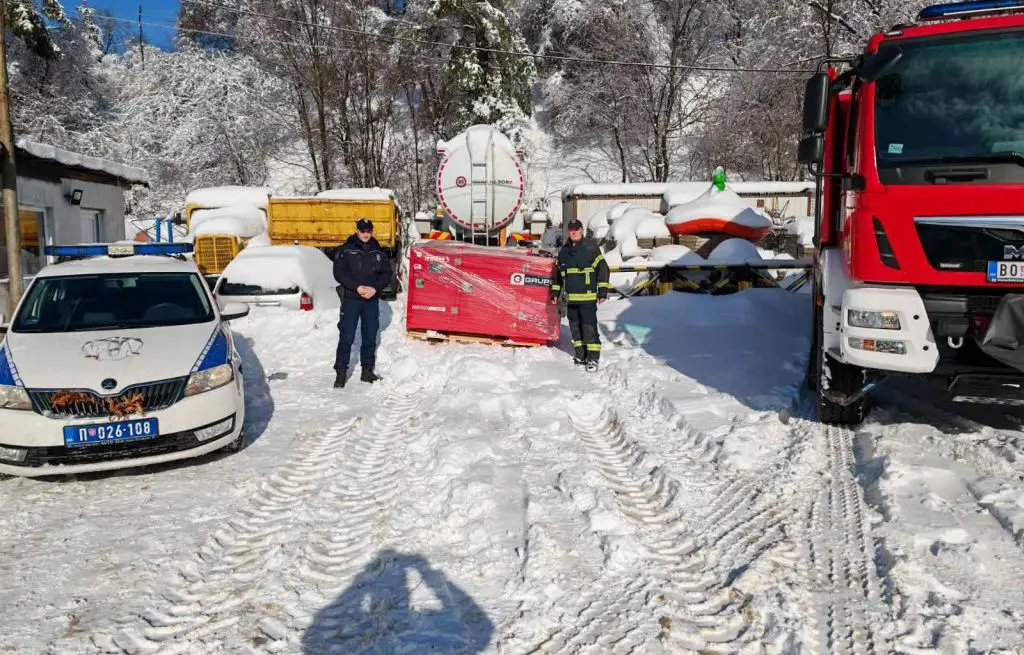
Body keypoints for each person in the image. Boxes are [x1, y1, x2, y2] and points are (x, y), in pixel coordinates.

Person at [333, 218, 393, 388]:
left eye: (368, 231)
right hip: (352, 299)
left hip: (370, 300)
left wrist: (375, 288)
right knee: (346, 336)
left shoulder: (378, 251)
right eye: (362, 231)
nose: (366, 234)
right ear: (357, 231)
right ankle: (341, 373)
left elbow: (386, 274)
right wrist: (356, 287)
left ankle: (367, 371)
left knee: (370, 335)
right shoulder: (346, 250)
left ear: (371, 231)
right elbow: (339, 273)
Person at [550, 218, 610, 372]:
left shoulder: (590, 247)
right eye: (571, 230)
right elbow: (558, 274)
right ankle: (581, 355)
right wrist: (555, 293)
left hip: (587, 298)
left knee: (589, 328)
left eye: (576, 229)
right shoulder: (564, 251)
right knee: (575, 328)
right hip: (571, 299)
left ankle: (593, 358)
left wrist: (602, 291)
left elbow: (603, 268)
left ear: (582, 230)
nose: (573, 232)